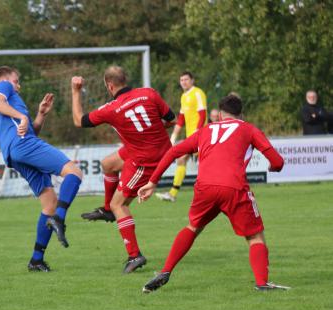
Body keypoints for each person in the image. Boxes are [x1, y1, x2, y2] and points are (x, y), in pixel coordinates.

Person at [138, 94, 290, 293]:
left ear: (219, 116)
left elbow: (173, 151)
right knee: (255, 237)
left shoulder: (205, 130)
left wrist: (152, 182)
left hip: (205, 188)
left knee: (193, 227)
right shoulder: (248, 128)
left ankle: (165, 271)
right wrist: (273, 168)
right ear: (241, 114)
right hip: (233, 187)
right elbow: (278, 162)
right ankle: (262, 283)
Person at [71, 66, 176, 273]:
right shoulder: (149, 93)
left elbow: (78, 120)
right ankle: (107, 210)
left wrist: (75, 91)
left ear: (110, 86)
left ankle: (134, 255)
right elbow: (171, 119)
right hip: (157, 149)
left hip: (147, 159)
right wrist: (150, 131)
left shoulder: (111, 108)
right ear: (125, 80)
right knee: (107, 164)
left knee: (119, 204)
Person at [0, 66, 83, 272]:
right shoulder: (3, 88)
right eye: (16, 80)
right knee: (74, 172)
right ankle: (59, 218)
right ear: (5, 80)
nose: (18, 84)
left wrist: (40, 115)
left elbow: (32, 131)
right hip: (22, 145)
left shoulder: (12, 105)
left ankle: (36, 260)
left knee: (49, 202)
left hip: (16, 153)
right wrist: (22, 118)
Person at [156, 71, 207, 202]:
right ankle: (172, 194)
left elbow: (202, 114)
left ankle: (175, 194)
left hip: (201, 135)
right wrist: (173, 136)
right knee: (182, 160)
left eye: (186, 79)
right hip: (191, 136)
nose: (183, 82)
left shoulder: (198, 93)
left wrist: (197, 131)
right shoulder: (184, 96)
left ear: (192, 80)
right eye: (181, 80)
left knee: (206, 163)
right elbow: (181, 119)